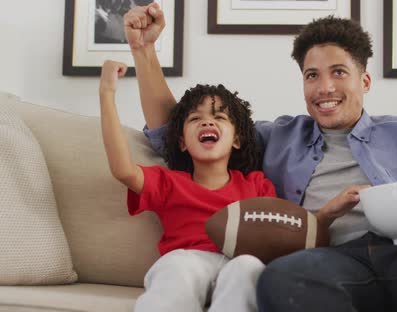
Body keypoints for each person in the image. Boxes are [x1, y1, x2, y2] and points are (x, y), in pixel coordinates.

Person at [123, 3, 397, 312]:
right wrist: (145, 52)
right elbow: (176, 133)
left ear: (365, 80)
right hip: (325, 262)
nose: (324, 87)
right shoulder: (276, 137)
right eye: (312, 75)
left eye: (338, 73)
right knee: (280, 279)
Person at [99, 60, 276, 312]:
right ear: (182, 142)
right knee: (178, 267)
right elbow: (123, 170)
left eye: (219, 117)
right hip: (188, 260)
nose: (207, 123)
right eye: (195, 118)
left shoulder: (256, 185)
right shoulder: (169, 182)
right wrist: (107, 93)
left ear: (236, 139)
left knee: (249, 267)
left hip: (237, 261)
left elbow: (277, 234)